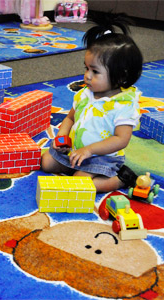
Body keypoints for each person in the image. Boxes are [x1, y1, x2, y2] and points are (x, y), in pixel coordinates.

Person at [41, 13, 142, 193]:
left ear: (121, 76)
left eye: (95, 71)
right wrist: (62, 135)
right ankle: (75, 168)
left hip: (101, 157)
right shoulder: (85, 94)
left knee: (79, 185)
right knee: (47, 162)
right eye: (86, 68)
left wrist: (90, 150)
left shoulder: (124, 104)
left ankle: (119, 180)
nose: (87, 75)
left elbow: (121, 139)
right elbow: (70, 118)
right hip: (75, 150)